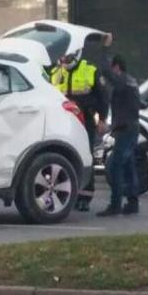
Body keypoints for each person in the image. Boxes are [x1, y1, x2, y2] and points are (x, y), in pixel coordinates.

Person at [50, 48, 107, 211]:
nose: (65, 60)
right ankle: (67, 194)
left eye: (67, 57)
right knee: (63, 157)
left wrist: (102, 119)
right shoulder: (56, 72)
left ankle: (85, 197)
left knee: (85, 157)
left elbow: (103, 96)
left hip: (84, 121)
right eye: (63, 57)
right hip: (61, 122)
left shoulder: (89, 69)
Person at [97, 55, 141, 217]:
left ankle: (115, 205)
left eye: (113, 69)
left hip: (125, 130)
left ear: (117, 68)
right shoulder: (131, 81)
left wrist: (105, 50)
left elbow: (106, 72)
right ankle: (132, 203)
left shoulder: (122, 81)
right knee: (129, 167)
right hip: (130, 128)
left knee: (115, 168)